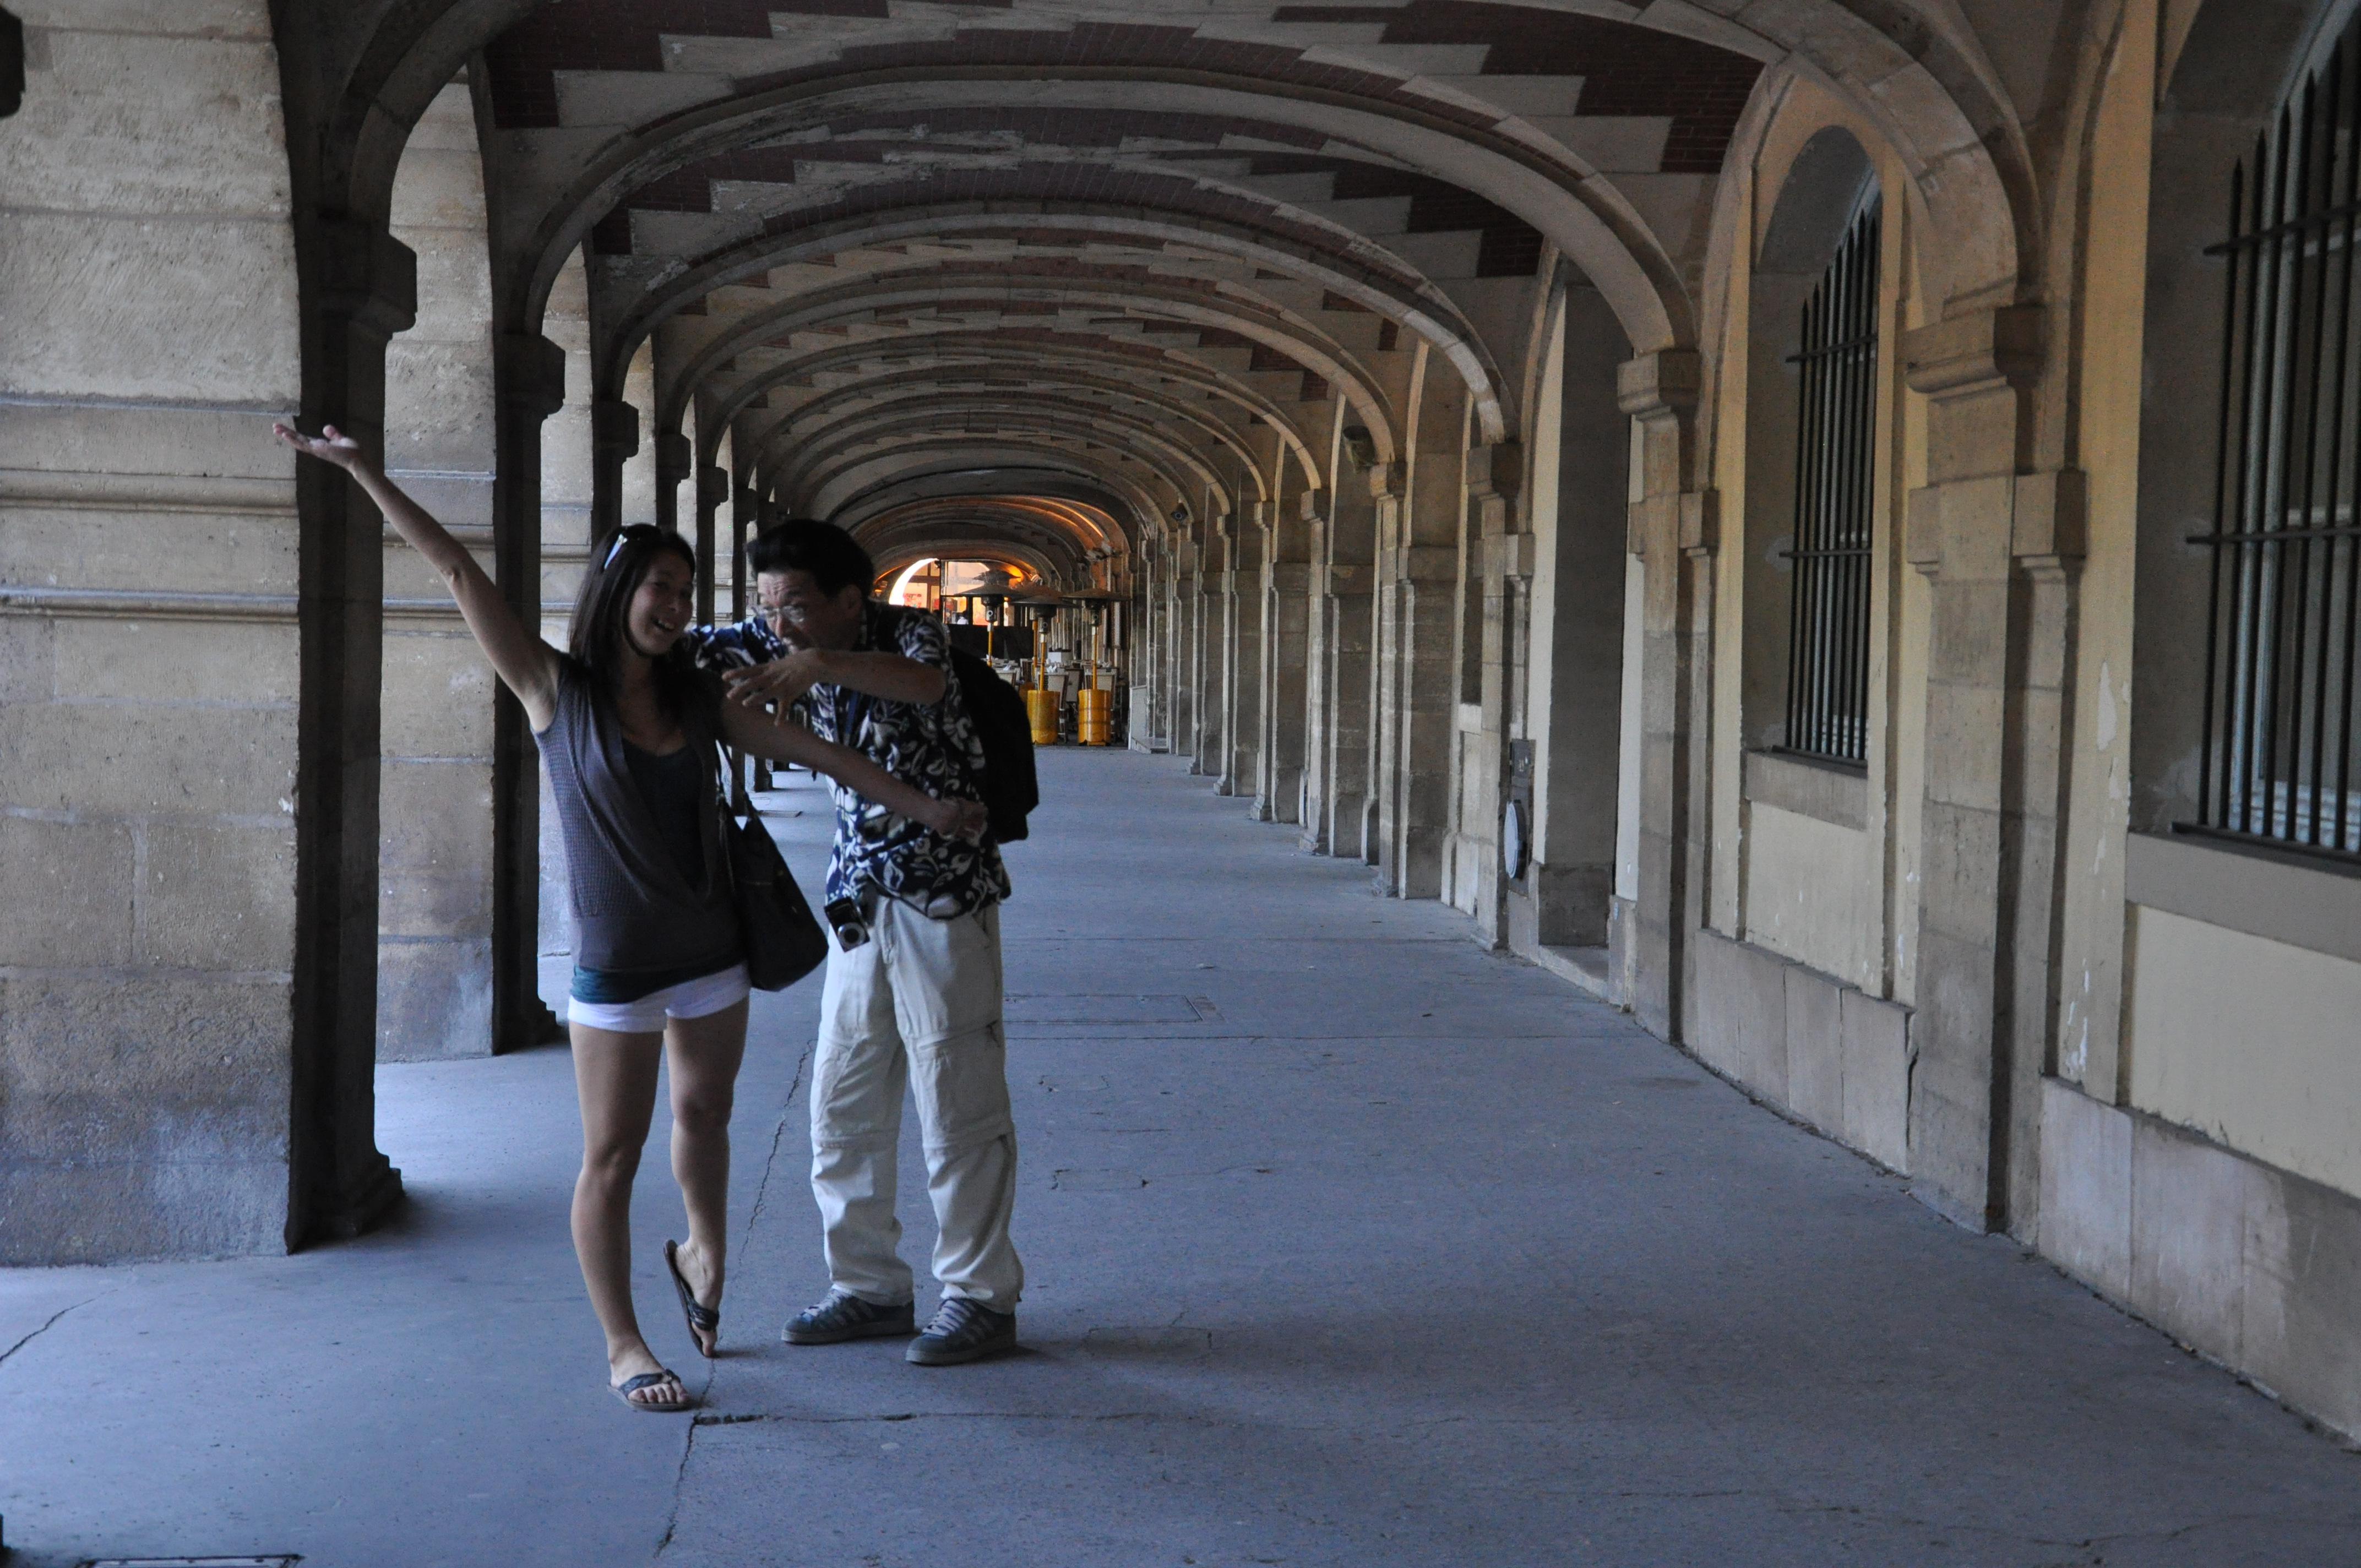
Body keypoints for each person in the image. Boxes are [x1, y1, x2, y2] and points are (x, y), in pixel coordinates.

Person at [273, 424, 985, 1413]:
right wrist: (362, 471)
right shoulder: (552, 690)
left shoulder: (700, 700)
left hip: (712, 958)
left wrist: (931, 810)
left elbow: (829, 762)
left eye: (688, 594)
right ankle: (624, 1346)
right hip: (615, 967)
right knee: (610, 1156)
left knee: (707, 1117)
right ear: (619, 591)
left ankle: (702, 1251)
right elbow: (456, 571)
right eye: (661, 587)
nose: (677, 608)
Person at [721, 522, 1023, 1366]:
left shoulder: (908, 633)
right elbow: (682, 651)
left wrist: (820, 664)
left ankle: (980, 1296)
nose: (781, 626)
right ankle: (868, 1288)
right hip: (858, 899)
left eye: (800, 609)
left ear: (852, 600)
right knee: (844, 1097)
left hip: (943, 896)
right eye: (768, 607)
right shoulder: (769, 637)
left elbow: (925, 686)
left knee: (957, 1097)